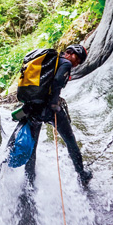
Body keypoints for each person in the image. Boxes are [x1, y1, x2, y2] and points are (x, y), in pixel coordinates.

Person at [22, 44, 92, 185]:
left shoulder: (51, 62)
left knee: (32, 146)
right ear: (70, 53)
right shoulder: (65, 63)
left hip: (34, 108)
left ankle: (29, 180)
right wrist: (54, 104)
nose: (76, 63)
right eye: (77, 59)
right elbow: (57, 82)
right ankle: (82, 174)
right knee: (70, 140)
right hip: (48, 109)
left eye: (79, 62)